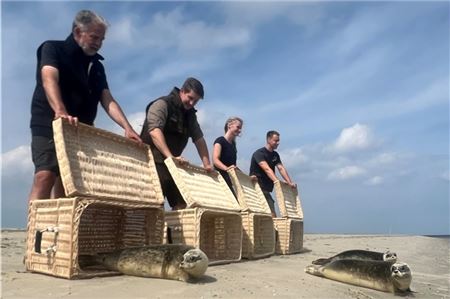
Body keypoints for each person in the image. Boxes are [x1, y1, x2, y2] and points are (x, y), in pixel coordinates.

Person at [28, 10, 141, 202]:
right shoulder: (52, 49)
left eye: (102, 39)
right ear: (78, 32)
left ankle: (61, 229)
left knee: (68, 183)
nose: (98, 43)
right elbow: (49, 78)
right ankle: (34, 230)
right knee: (45, 175)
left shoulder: (96, 66)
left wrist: (127, 127)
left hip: (79, 129)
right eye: (94, 37)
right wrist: (60, 110)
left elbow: (107, 98)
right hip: (48, 122)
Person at [140, 77, 212, 210]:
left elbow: (199, 139)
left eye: (195, 101)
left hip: (173, 165)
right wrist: (170, 157)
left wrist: (207, 164)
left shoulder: (190, 115)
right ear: (182, 91)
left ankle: (174, 231)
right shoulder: (162, 104)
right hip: (151, 162)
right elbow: (155, 132)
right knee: (155, 204)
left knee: (182, 204)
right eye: (190, 98)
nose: (191, 103)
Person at [250, 130, 296, 217]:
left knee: (271, 213)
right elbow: (267, 169)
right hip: (257, 188)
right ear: (268, 140)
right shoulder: (259, 153)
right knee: (271, 214)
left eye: (278, 141)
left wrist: (290, 183)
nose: (277, 143)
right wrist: (277, 181)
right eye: (275, 140)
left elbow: (281, 168)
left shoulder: (275, 155)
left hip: (266, 189)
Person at [212, 117, 243, 195]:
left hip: (229, 181)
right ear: (229, 125)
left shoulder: (233, 145)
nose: (240, 130)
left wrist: (247, 178)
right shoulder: (220, 141)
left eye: (240, 128)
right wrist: (227, 169)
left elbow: (233, 166)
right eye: (238, 127)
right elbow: (215, 160)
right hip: (219, 180)